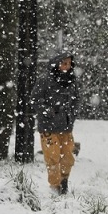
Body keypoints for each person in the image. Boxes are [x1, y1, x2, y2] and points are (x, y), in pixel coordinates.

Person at [31, 52, 80, 195]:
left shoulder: (72, 80)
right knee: (52, 157)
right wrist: (47, 110)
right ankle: (55, 187)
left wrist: (72, 114)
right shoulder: (44, 79)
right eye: (64, 63)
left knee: (68, 157)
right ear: (56, 64)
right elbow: (34, 99)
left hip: (66, 126)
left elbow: (76, 100)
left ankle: (64, 181)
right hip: (48, 126)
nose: (67, 66)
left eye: (69, 63)